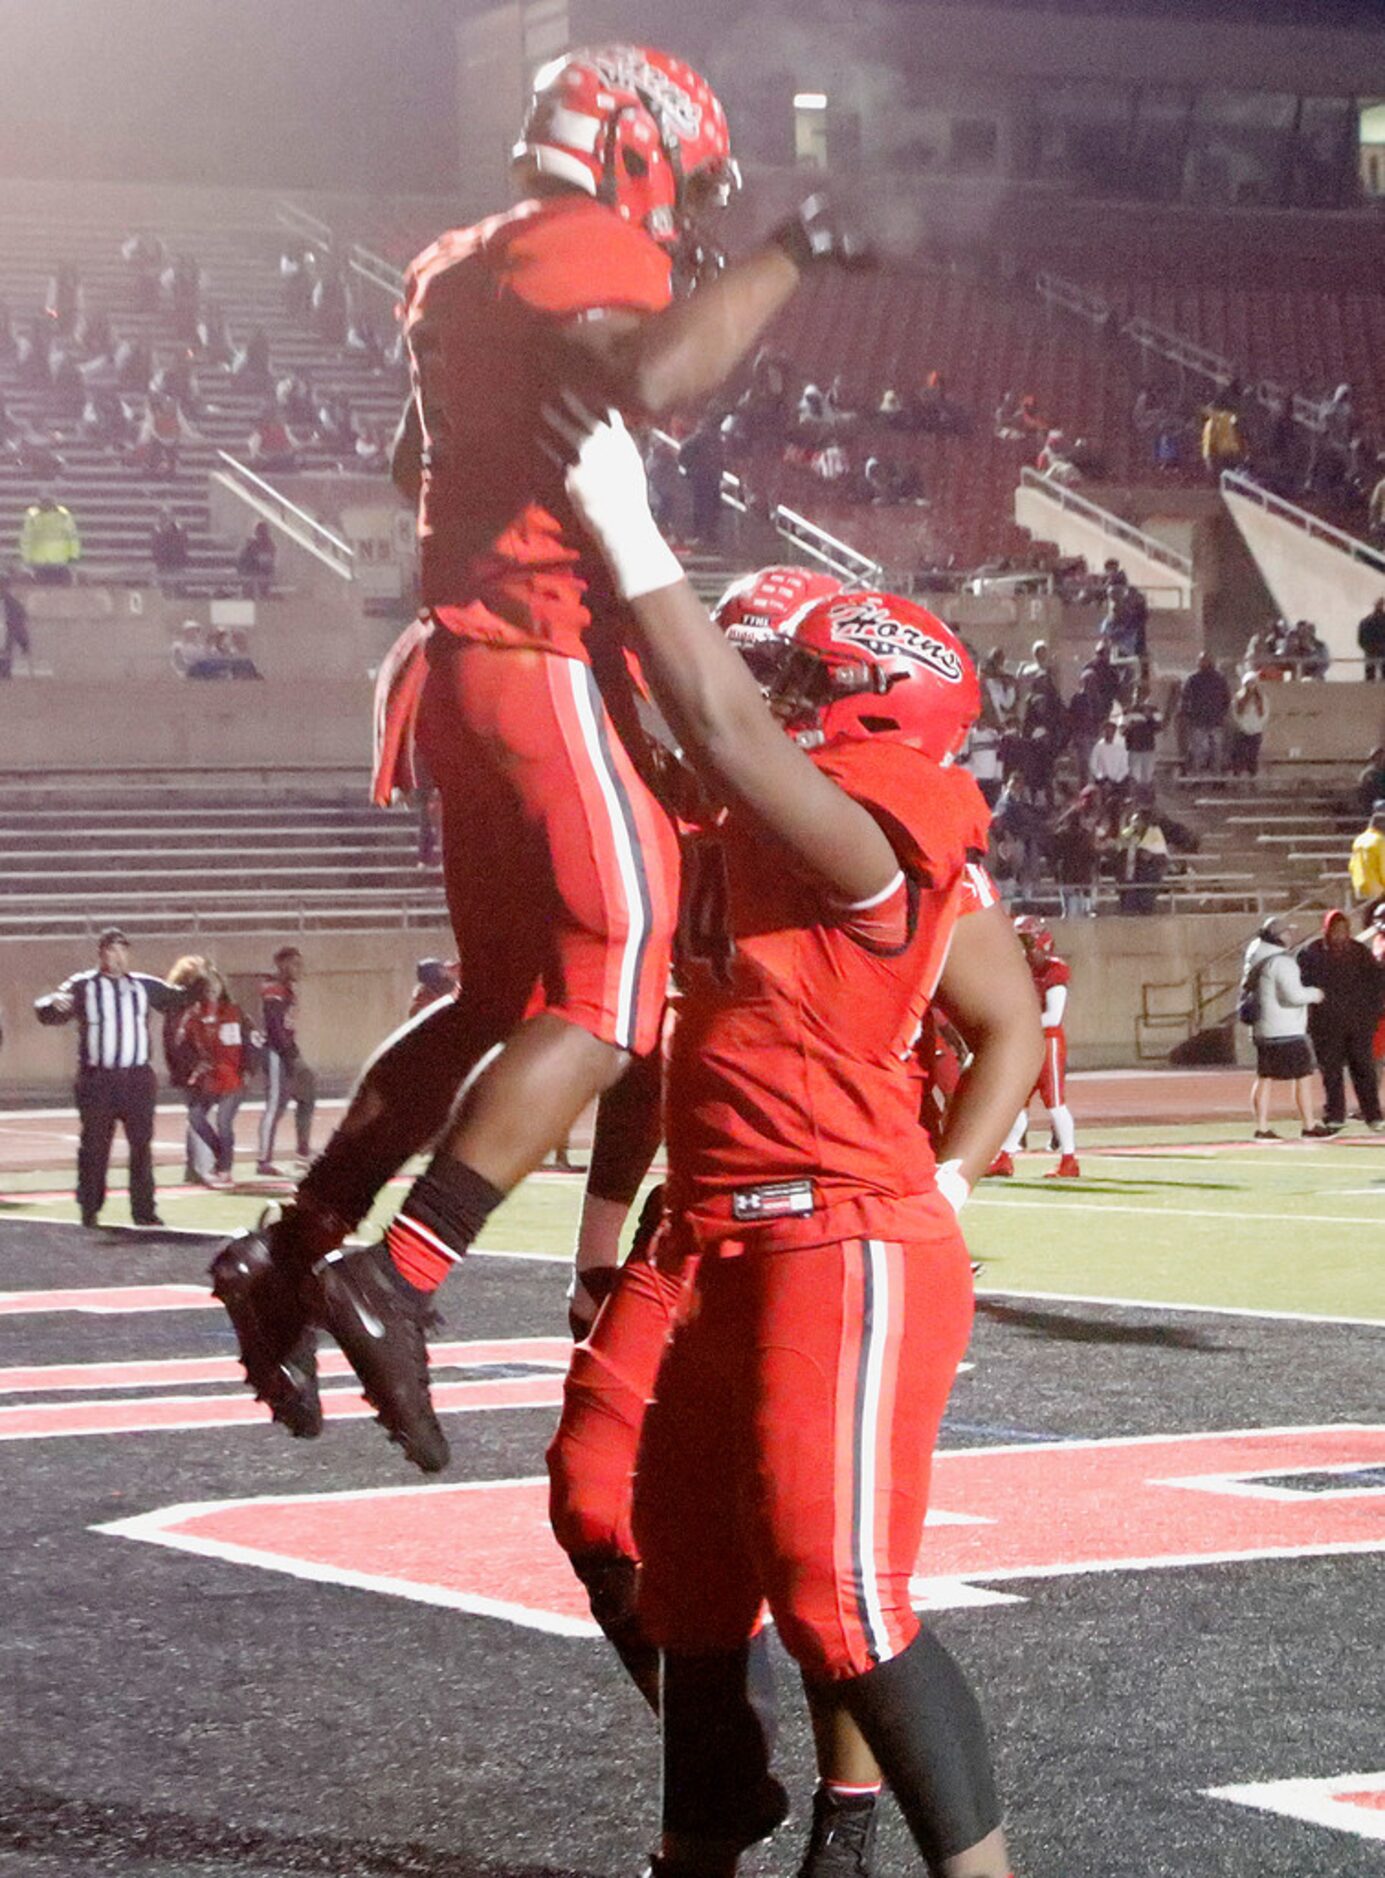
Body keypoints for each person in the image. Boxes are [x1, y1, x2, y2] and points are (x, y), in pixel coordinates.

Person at [208, 47, 870, 1468]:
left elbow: (412, 463)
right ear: (630, 147)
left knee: (497, 995)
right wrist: (793, 253)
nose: (683, 213)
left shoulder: (464, 254)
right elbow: (664, 364)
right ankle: (402, 1273)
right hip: (533, 644)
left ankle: (295, 1241)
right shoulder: (576, 240)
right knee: (616, 983)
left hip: (465, 653)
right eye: (683, 178)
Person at [541, 412, 1041, 1878]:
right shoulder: (749, 830)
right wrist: (556, 561)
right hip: (717, 1230)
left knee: (843, 1596)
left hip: (840, 1226)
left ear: (870, 706)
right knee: (692, 1586)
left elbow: (728, 724)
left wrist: (635, 531)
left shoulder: (872, 834)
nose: (773, 685)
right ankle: (698, 1841)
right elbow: (666, 718)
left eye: (803, 673)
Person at [33, 928, 190, 1228]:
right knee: (94, 1146)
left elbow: (176, 998)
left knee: (141, 1147)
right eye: (111, 950)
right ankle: (89, 1209)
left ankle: (144, 1210)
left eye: (122, 950)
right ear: (101, 954)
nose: (117, 957)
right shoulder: (83, 986)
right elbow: (48, 1010)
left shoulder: (142, 985)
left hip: (136, 1079)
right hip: (99, 1080)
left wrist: (199, 979)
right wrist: (49, 1004)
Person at [989, 915, 1080, 1178]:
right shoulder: (1019, 969)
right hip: (1028, 1040)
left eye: (1026, 941)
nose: (1023, 948)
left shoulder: (1054, 969)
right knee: (1018, 1102)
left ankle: (1069, 1159)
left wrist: (1019, 1023)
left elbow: (1053, 1016)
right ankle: (1006, 1157)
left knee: (1054, 1103)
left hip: (1047, 1040)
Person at [1298, 910, 1385, 1133]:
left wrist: (1371, 1015)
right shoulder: (1312, 952)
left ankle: (1373, 1114)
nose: (1340, 935)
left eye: (1343, 930)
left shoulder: (1358, 951)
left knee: (1364, 1069)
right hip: (1326, 1025)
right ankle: (1335, 1115)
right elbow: (1302, 984)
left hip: (1358, 1024)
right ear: (1326, 930)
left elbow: (1376, 983)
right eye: (1335, 930)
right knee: (1331, 1072)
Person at [1241, 919, 1328, 1140]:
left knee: (1264, 1078)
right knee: (1303, 1077)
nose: (1290, 936)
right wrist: (1315, 994)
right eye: (1287, 933)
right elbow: (1294, 996)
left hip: (1263, 1029)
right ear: (1278, 937)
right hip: (1286, 1029)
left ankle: (1261, 1126)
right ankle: (1308, 1124)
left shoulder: (1255, 956)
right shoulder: (1282, 963)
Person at [256, 946, 315, 1175]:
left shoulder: (288, 989)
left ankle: (302, 1153)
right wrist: (289, 1054)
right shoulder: (274, 989)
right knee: (276, 1105)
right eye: (295, 964)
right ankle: (263, 1160)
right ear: (282, 964)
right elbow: (274, 1025)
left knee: (307, 1094)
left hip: (288, 1050)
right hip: (276, 1052)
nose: (299, 969)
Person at [1177, 653, 1231, 775]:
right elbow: (1185, 699)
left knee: (1217, 750)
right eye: (1201, 660)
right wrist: (1188, 714)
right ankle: (1197, 776)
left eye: (1205, 660)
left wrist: (1221, 713)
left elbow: (1226, 699)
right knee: (1199, 750)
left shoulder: (1219, 679)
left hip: (1216, 721)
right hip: (1198, 721)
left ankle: (1217, 778)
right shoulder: (1193, 679)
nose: (1203, 663)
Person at [18, 494, 80, 585]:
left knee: (44, 590)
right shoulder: (63, 514)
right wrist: (74, 556)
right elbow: (72, 537)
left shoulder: (33, 515)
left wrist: (26, 559)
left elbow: (26, 539)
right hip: (55, 563)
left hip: (45, 563)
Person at [1227, 675, 1269, 776]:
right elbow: (1235, 713)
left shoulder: (1262, 698)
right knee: (1239, 756)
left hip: (1256, 731)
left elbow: (1265, 713)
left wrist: (1258, 726)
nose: (1251, 686)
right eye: (1248, 683)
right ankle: (1237, 778)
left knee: (1252, 757)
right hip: (1241, 731)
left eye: (1253, 683)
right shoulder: (1238, 697)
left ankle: (1252, 778)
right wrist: (1241, 726)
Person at [1122, 684, 1161, 790]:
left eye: (1143, 694)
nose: (1139, 696)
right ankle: (1136, 796)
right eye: (1137, 693)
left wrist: (1150, 718)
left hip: (1148, 747)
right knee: (1135, 776)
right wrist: (1131, 726)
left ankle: (1147, 798)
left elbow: (1159, 727)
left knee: (1147, 777)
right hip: (1133, 747)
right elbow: (1122, 730)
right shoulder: (1128, 710)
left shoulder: (1154, 710)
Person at [1348, 802, 1385, 906]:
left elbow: (1351, 866)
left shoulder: (1359, 839)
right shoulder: (1380, 841)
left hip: (1360, 889)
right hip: (1377, 892)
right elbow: (1383, 869)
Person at [0, 565, 32, 678]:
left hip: (4, 651)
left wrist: (24, 643)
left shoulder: (13, 605)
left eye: (3, 584)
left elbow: (19, 627)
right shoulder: (14, 604)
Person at [236, 521, 276, 598]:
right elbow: (242, 559)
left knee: (263, 582)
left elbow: (271, 557)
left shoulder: (269, 544)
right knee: (249, 585)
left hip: (263, 570)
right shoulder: (250, 543)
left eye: (263, 530)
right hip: (249, 570)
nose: (262, 534)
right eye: (260, 530)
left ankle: (264, 596)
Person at [150, 506, 190, 577]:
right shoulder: (156, 529)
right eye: (164, 515)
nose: (167, 518)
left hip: (177, 562)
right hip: (162, 563)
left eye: (169, 515)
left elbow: (183, 543)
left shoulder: (180, 528)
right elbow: (155, 547)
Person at [1358, 598, 1385, 681]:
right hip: (1373, 651)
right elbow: (1361, 639)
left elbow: (1361, 640)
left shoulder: (1365, 621)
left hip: (1372, 651)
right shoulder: (1366, 621)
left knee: (1370, 678)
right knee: (1370, 678)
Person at [1357, 748, 1385, 818]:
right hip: (1373, 803)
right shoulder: (1368, 773)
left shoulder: (1383, 772)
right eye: (1378, 756)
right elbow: (1364, 792)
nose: (1381, 759)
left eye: (1382, 756)